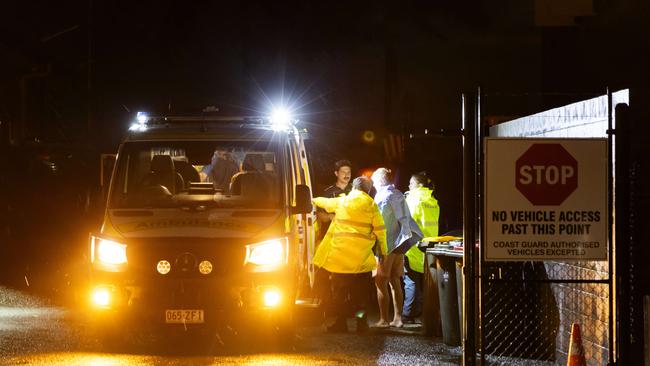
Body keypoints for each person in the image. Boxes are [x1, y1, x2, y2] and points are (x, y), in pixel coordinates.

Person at [311, 176, 387, 333]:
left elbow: (325, 202)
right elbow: (381, 230)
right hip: (362, 260)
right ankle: (361, 324)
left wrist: (311, 199)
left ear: (353, 187)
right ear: (367, 190)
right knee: (361, 295)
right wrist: (384, 251)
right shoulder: (372, 205)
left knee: (340, 294)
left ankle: (341, 323)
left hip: (340, 260)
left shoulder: (343, 201)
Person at [370, 167, 423, 328]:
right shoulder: (398, 194)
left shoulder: (382, 197)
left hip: (387, 244)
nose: (373, 185)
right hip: (401, 244)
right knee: (395, 281)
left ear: (379, 181)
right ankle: (398, 319)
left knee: (380, 281)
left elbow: (380, 223)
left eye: (373, 181)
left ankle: (383, 320)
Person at [313, 160, 352, 314]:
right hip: (331, 240)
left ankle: (348, 309)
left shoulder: (355, 192)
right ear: (336, 173)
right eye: (343, 172)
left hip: (350, 241)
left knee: (348, 277)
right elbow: (320, 215)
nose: (346, 175)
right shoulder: (327, 193)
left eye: (348, 172)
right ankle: (330, 307)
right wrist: (331, 217)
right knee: (329, 276)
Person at [403, 171, 440, 324]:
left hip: (413, 245)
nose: (408, 186)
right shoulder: (433, 201)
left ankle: (408, 314)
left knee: (410, 280)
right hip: (429, 245)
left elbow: (407, 222)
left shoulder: (413, 200)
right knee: (426, 283)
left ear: (419, 184)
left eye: (411, 183)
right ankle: (425, 314)